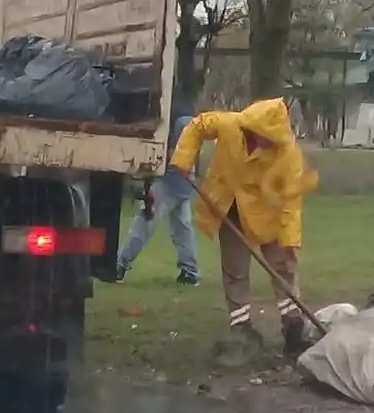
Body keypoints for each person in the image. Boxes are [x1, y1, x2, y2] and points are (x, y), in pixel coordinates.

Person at [170, 97, 318, 363]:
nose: (266, 143)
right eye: (262, 137)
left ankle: (292, 325)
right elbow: (196, 125)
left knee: (283, 267)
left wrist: (290, 241)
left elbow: (291, 204)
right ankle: (241, 327)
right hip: (228, 208)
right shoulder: (230, 125)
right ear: (252, 129)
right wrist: (183, 158)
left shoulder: (287, 154)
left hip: (267, 214)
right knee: (234, 270)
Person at [115, 90, 200, 285]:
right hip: (180, 179)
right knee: (182, 227)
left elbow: (176, 150)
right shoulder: (179, 107)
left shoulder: (177, 115)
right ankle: (190, 271)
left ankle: (120, 264)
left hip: (170, 178)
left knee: (146, 220)